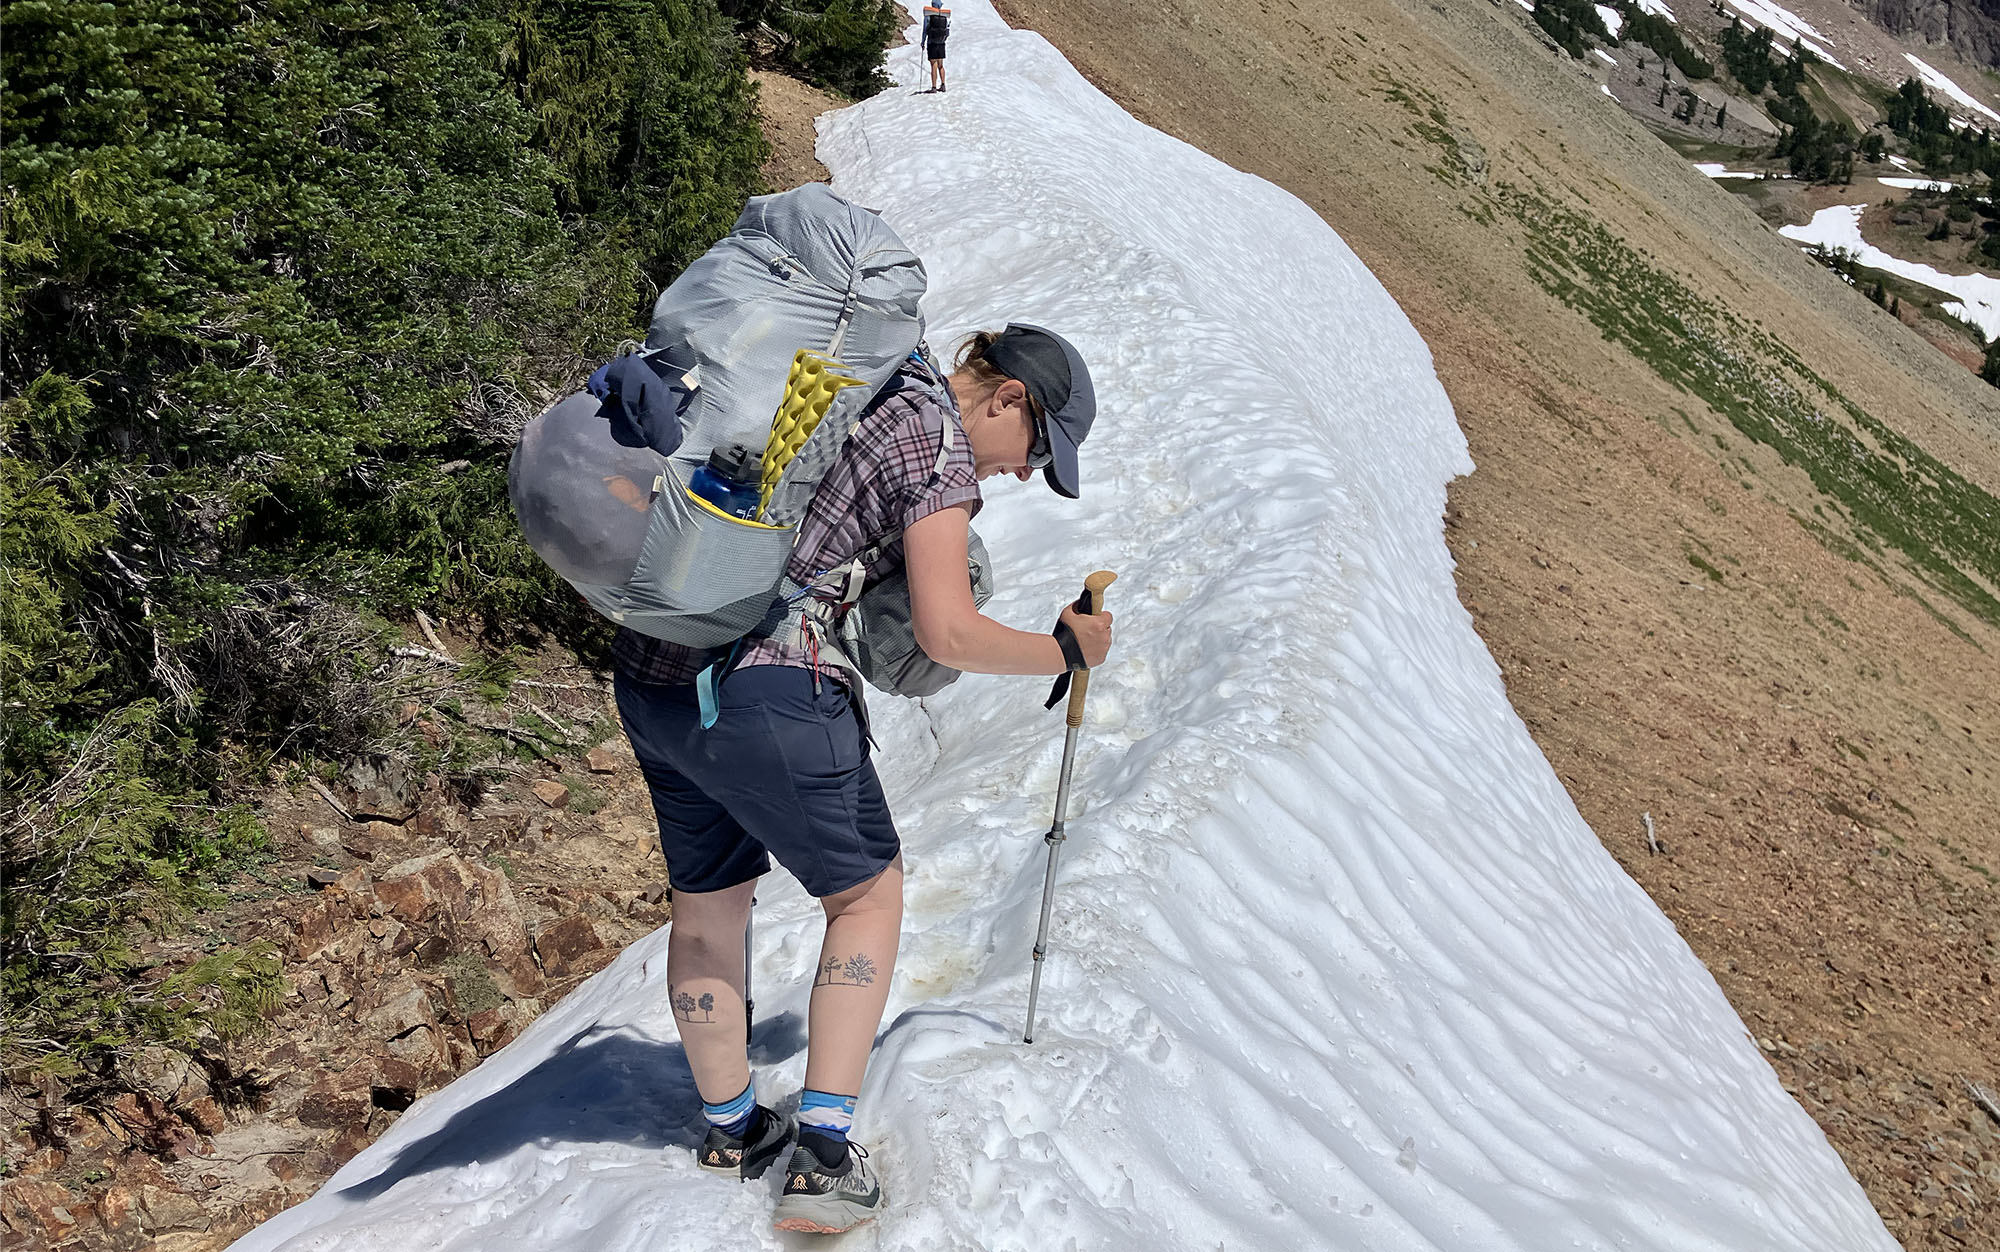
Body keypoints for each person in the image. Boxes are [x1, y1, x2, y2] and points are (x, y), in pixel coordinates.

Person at [611, 324, 1109, 1234]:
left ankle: (731, 1131)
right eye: (1037, 449)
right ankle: (825, 1157)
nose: (1025, 471)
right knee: (869, 895)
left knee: (708, 902)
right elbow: (946, 632)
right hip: (770, 680)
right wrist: (1063, 652)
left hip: (655, 668)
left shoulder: (863, 376)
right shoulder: (937, 441)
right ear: (1007, 399)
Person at [921, 3, 950, 92]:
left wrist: (923, 42)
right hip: (941, 43)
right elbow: (947, 31)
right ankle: (943, 85)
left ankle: (934, 87)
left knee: (933, 65)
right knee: (941, 65)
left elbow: (925, 30)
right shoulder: (944, 16)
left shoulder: (928, 16)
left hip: (932, 43)